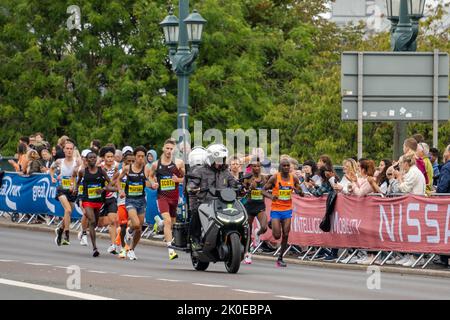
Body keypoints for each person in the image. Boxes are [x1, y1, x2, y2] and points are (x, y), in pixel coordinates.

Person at [188, 144, 238, 250]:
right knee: (196, 211)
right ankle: (194, 239)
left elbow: (233, 183)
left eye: (222, 159)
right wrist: (193, 187)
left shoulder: (226, 172)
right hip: (205, 202)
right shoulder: (200, 171)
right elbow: (192, 183)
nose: (220, 162)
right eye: (218, 159)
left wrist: (240, 187)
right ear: (210, 159)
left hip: (223, 202)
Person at [147, 138, 185, 260]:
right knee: (168, 221)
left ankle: (160, 223)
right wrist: (153, 183)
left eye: (171, 149)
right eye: (167, 148)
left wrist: (178, 180)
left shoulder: (179, 163)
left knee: (172, 223)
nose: (169, 151)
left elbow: (187, 178)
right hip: (162, 197)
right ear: (163, 149)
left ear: (174, 150)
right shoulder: (156, 164)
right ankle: (170, 250)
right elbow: (150, 176)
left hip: (174, 198)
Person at [264, 158, 303, 267]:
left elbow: (299, 190)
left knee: (286, 233)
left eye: (288, 166)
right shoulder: (275, 177)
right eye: (284, 166)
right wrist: (272, 196)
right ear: (280, 167)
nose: (286, 167)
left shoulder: (293, 177)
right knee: (277, 236)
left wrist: (300, 192)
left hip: (287, 209)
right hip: (276, 209)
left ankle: (280, 258)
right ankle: (272, 223)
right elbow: (263, 190)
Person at [75, 152, 116, 257]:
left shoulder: (101, 171)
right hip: (87, 200)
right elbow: (78, 182)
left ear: (96, 159)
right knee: (92, 221)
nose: (92, 159)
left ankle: (85, 231)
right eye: (90, 158)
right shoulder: (82, 172)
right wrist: (75, 189)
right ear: (87, 160)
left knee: (95, 223)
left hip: (98, 201)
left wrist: (103, 189)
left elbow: (110, 183)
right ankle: (95, 248)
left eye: (94, 157)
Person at [117, 146, 150, 260]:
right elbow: (118, 179)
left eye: (142, 156)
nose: (141, 158)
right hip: (130, 200)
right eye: (139, 156)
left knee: (139, 228)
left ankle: (131, 249)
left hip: (141, 200)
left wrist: (153, 184)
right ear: (135, 157)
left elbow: (149, 181)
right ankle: (129, 230)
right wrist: (121, 190)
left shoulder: (146, 169)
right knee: (135, 224)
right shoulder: (127, 168)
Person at [392, 153, 426, 267]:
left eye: (401, 164)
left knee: (414, 231)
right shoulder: (411, 172)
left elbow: (405, 188)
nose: (400, 166)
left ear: (406, 163)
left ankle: (415, 256)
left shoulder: (413, 172)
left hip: (415, 205)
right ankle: (409, 255)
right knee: (409, 231)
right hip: (412, 204)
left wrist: (400, 178)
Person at [50, 141, 82, 246]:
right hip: (61, 189)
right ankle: (67, 235)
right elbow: (51, 168)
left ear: (73, 150)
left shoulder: (77, 162)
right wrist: (52, 177)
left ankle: (60, 230)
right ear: (64, 150)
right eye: (67, 148)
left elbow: (81, 173)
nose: (69, 150)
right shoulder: (59, 161)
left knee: (68, 213)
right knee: (68, 210)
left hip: (72, 190)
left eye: (70, 149)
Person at [242, 159, 269, 264]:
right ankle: (247, 254)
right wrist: (249, 188)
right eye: (254, 166)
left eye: (258, 166)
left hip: (260, 205)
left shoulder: (264, 178)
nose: (256, 168)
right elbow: (244, 190)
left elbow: (266, 190)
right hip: (249, 206)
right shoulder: (247, 177)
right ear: (251, 167)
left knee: (264, 227)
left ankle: (257, 233)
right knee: (248, 231)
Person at [98, 146, 120, 255]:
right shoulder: (99, 167)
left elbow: (117, 183)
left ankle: (113, 245)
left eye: (112, 156)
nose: (110, 159)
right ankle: (84, 229)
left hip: (111, 197)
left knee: (112, 221)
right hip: (100, 198)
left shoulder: (116, 168)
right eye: (108, 157)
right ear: (104, 158)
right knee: (98, 223)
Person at [116, 150, 135, 259]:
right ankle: (123, 247)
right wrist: (120, 190)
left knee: (133, 225)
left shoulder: (137, 171)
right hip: (122, 202)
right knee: (123, 226)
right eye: (129, 161)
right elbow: (113, 183)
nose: (131, 163)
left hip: (133, 201)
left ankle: (128, 246)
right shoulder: (120, 171)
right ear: (124, 161)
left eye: (133, 161)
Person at [435, 145, 450, 267]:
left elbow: (443, 187)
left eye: (445, 150)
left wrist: (436, 191)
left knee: (445, 230)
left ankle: (444, 258)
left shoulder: (447, 167)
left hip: (445, 203)